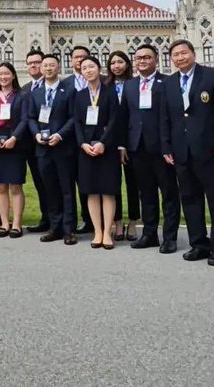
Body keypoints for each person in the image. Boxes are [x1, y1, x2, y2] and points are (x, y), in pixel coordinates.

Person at [160, 39, 214, 266]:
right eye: (175, 55)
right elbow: (166, 118)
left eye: (184, 53)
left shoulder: (213, 76)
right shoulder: (169, 83)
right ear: (171, 59)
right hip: (181, 152)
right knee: (190, 200)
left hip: (210, 150)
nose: (180, 58)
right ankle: (199, 244)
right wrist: (166, 147)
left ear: (193, 53)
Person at [121, 43, 180, 253]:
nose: (142, 61)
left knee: (169, 194)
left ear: (156, 59)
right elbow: (124, 117)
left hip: (162, 149)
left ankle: (170, 238)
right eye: (139, 58)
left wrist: (170, 146)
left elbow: (173, 116)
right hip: (137, 147)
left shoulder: (168, 83)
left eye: (147, 57)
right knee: (146, 194)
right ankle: (149, 234)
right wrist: (123, 146)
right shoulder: (129, 85)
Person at [73, 56, 124, 250]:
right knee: (91, 191)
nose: (87, 70)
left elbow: (114, 121)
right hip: (86, 150)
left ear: (99, 68)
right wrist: (83, 144)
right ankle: (98, 231)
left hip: (106, 149)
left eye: (91, 66)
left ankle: (107, 233)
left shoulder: (110, 93)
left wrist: (103, 143)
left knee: (108, 190)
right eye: (84, 67)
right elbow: (76, 122)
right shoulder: (78, 96)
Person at [30, 53, 78, 245]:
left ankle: (69, 229)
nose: (48, 68)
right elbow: (31, 118)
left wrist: (59, 135)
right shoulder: (36, 93)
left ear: (58, 68)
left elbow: (74, 118)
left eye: (52, 65)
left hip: (63, 147)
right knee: (50, 190)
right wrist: (36, 134)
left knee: (67, 189)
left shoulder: (69, 91)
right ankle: (55, 227)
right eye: (45, 65)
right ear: (41, 69)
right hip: (43, 149)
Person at [0, 61, 31, 238]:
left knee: (16, 186)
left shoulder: (22, 96)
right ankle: (4, 223)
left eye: (6, 74)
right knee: (0, 187)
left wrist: (14, 138)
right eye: (0, 74)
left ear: (13, 76)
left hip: (15, 145)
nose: (3, 77)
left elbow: (25, 120)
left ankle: (17, 224)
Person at [105, 50, 139, 241]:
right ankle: (116, 222)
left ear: (127, 64)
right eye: (113, 63)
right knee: (113, 184)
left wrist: (125, 144)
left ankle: (133, 221)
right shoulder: (106, 86)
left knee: (133, 183)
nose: (116, 66)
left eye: (120, 62)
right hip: (111, 142)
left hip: (132, 140)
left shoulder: (135, 85)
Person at [60, 45, 93, 235]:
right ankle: (72, 221)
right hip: (68, 141)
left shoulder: (101, 82)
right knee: (69, 184)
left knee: (89, 182)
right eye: (76, 58)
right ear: (71, 61)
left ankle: (91, 219)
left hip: (91, 141)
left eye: (83, 58)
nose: (79, 61)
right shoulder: (65, 84)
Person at [22, 48, 50, 233]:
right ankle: (46, 218)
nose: (33, 65)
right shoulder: (24, 89)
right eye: (30, 63)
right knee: (40, 184)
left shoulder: (53, 86)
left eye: (37, 62)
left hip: (51, 143)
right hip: (31, 145)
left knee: (52, 183)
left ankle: (59, 219)